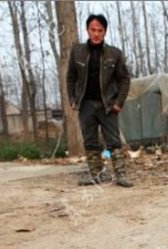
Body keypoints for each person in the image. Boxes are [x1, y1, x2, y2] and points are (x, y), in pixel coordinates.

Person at [67, 14, 133, 187]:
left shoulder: (115, 54)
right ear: (87, 30)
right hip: (86, 104)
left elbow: (124, 79)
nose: (96, 34)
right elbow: (70, 77)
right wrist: (72, 98)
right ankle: (96, 175)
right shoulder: (77, 51)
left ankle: (120, 175)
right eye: (93, 30)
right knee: (90, 141)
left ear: (105, 32)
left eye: (100, 30)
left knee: (113, 142)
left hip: (108, 105)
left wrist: (119, 102)